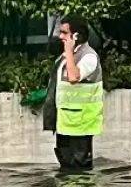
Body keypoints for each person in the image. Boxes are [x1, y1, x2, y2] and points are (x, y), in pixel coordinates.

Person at [43, 16, 103, 171]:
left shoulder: (89, 57)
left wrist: (68, 51)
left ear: (76, 36)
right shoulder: (65, 57)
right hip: (65, 123)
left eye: (64, 33)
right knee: (66, 168)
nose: (60, 36)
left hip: (81, 124)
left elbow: (74, 77)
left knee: (79, 170)